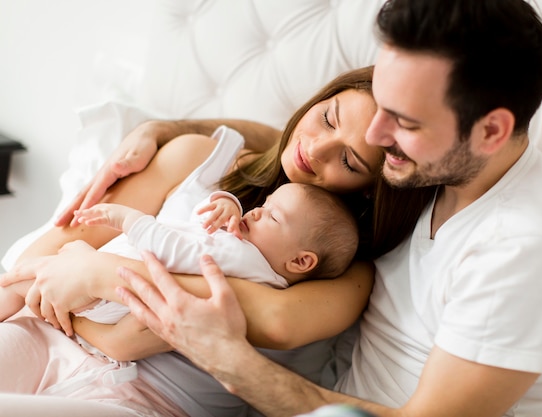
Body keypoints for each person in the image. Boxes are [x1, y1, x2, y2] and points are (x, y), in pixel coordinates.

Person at [90, 0, 542, 416]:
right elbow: (295, 148)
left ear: (491, 130)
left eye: (403, 121)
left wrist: (223, 355)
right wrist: (168, 128)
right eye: (379, 105)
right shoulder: (434, 167)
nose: (377, 134)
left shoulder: (527, 251)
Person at [0, 66, 433, 416]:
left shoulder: (341, 269)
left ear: (372, 187)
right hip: (47, 331)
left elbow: (277, 321)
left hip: (148, 400)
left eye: (348, 159)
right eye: (327, 118)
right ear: (319, 100)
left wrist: (98, 274)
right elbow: (49, 249)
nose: (315, 149)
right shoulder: (198, 160)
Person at [0, 181, 359, 326]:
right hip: (109, 292)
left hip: (112, 298)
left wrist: (129, 220)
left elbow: (175, 252)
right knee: (38, 275)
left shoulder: (248, 261)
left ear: (300, 261)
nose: (257, 211)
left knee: (25, 278)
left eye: (273, 215)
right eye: (264, 203)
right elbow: (196, 224)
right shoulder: (250, 255)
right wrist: (225, 202)